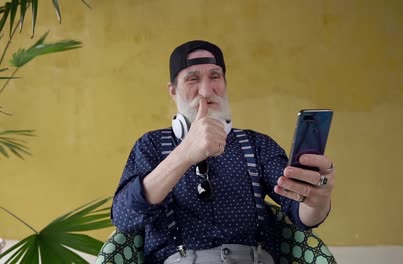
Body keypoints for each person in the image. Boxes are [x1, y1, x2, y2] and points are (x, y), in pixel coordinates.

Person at [111, 40, 335, 264]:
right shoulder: (151, 144)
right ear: (172, 90)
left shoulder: (257, 144)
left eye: (215, 77)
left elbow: (301, 211)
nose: (207, 91)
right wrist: (184, 153)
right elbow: (124, 217)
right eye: (193, 79)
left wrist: (318, 200)